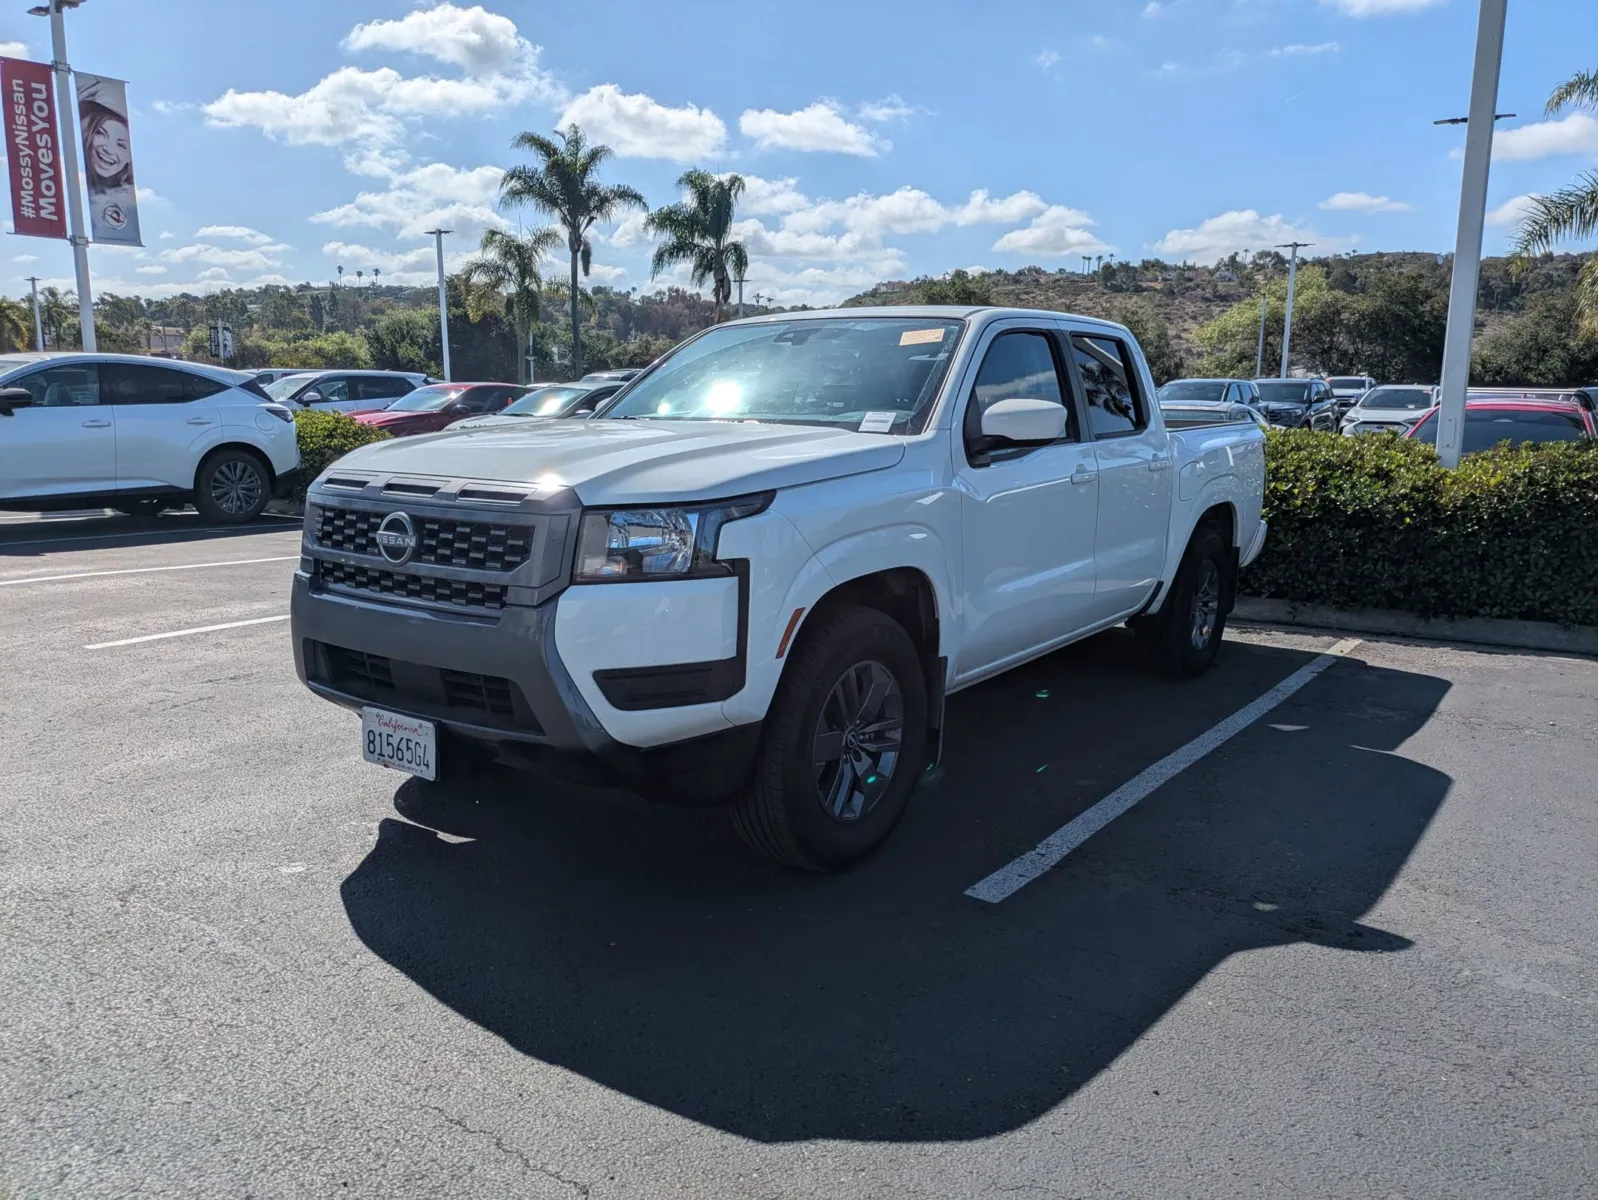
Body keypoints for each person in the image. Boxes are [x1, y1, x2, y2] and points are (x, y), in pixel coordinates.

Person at [78, 79, 141, 244]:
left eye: (121, 145)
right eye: (100, 133)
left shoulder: (126, 200)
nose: (108, 149)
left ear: (129, 158)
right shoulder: (79, 189)